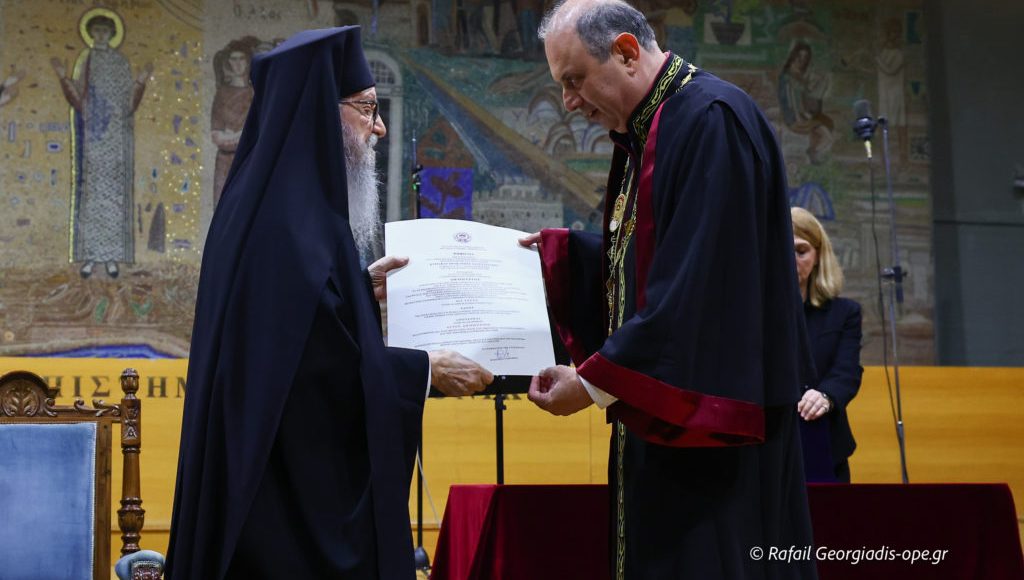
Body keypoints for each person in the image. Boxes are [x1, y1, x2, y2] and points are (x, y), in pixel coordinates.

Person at [166, 27, 492, 580]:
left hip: (266, 499)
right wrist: (424, 370)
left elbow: (290, 333)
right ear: (320, 109)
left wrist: (354, 296)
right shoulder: (294, 228)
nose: (380, 127)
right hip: (283, 525)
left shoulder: (268, 211)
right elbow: (312, 378)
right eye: (367, 109)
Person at [520, 1, 817, 577]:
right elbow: (659, 258)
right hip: (671, 434)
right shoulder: (657, 125)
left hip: (714, 447)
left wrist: (590, 383)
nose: (569, 103)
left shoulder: (709, 119)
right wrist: (562, 257)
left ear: (627, 52)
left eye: (574, 80)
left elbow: (703, 288)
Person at [51, 12, 153, 279]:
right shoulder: (87, 59)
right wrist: (64, 78)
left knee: (114, 199)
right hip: (95, 137)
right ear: (91, 33)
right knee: (93, 198)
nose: (100, 35)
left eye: (105, 31)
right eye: (96, 31)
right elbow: (78, 98)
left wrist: (140, 80)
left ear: (111, 34)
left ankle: (111, 258)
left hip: (117, 139)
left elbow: (128, 103)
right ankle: (91, 257)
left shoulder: (120, 61)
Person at [791, 207, 863, 483]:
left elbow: (847, 371)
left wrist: (825, 396)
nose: (792, 259)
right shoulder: (757, 310)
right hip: (769, 444)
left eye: (801, 251)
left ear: (818, 256)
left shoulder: (844, 313)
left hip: (825, 441)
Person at [210, 37, 258, 206]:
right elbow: (216, 135)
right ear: (228, 62)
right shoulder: (222, 94)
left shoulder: (257, 93)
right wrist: (242, 136)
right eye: (233, 59)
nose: (237, 64)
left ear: (248, 62)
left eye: (241, 59)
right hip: (225, 164)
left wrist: (235, 135)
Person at [777, 41, 833, 164]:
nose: (801, 60)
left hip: (802, 114)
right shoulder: (787, 77)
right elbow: (789, 100)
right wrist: (799, 116)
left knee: (828, 126)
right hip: (794, 118)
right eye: (799, 56)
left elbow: (806, 94)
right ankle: (814, 152)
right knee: (826, 134)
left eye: (805, 57)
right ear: (794, 56)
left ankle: (814, 153)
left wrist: (820, 83)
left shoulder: (799, 75)